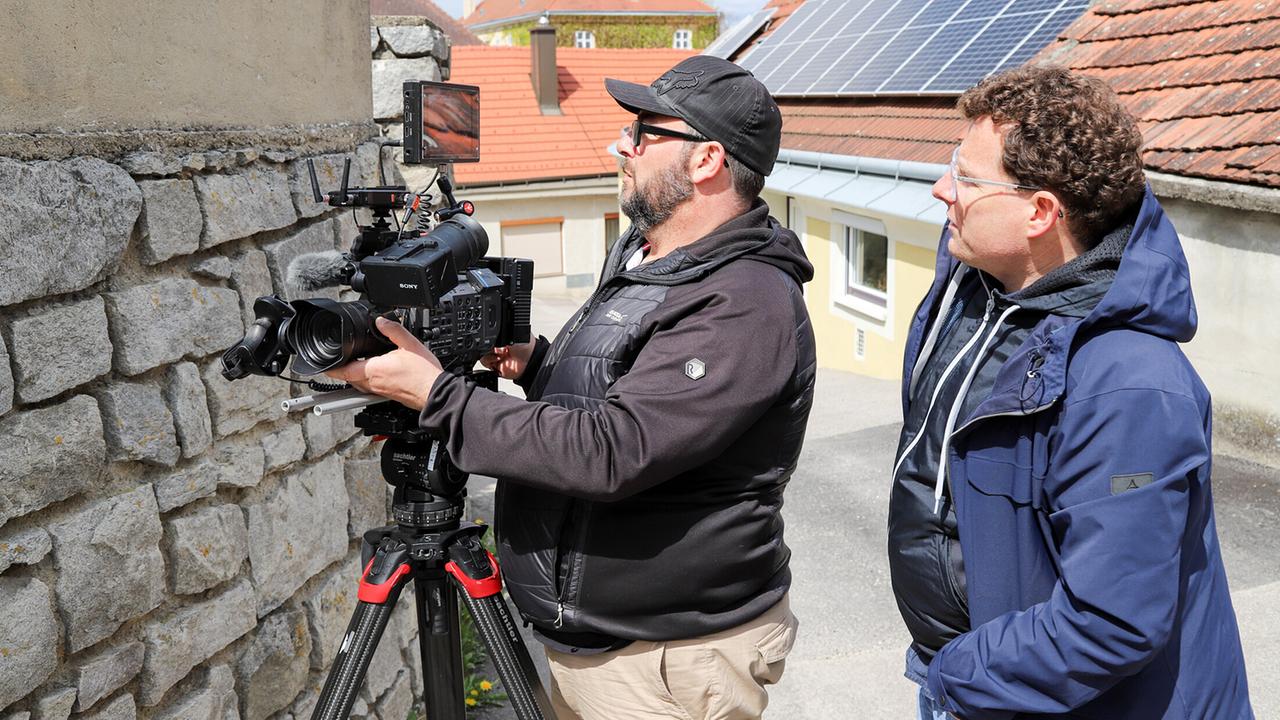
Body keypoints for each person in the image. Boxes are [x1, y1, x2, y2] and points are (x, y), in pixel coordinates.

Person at [327, 55, 815, 720]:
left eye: (644, 133)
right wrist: (534, 365)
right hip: (597, 647)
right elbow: (626, 391)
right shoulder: (650, 254)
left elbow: (615, 450)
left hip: (664, 660)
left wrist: (441, 399)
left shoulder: (744, 299)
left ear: (706, 161)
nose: (622, 145)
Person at [889, 64, 1253, 720]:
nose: (943, 188)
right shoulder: (978, 291)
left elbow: (1109, 621)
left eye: (967, 178)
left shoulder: (1129, 386)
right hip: (986, 682)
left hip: (1035, 696)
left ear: (1040, 212)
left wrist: (954, 675)